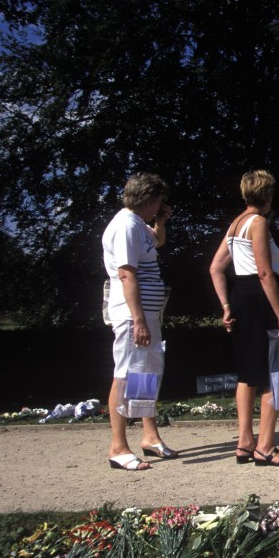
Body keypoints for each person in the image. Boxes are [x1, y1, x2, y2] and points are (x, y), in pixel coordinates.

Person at [209, 170, 279, 466]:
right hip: (259, 299)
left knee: (247, 374)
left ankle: (245, 442)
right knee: (276, 372)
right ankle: (266, 446)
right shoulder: (258, 222)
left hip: (240, 297)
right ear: (268, 196)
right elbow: (264, 272)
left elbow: (215, 268)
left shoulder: (236, 224)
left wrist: (225, 305)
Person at [102, 172, 179, 471]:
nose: (160, 205)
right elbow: (126, 274)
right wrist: (138, 320)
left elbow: (156, 242)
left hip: (147, 313)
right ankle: (118, 447)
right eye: (158, 201)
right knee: (124, 375)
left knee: (146, 373)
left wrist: (161, 221)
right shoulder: (123, 226)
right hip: (131, 314)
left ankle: (149, 436)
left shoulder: (137, 224)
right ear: (147, 199)